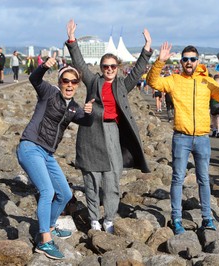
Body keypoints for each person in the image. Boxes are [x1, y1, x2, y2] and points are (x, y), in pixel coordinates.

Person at [65, 19, 152, 233]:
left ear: (117, 68)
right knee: (92, 178)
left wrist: (147, 49)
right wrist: (72, 41)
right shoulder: (94, 82)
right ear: (102, 68)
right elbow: (80, 65)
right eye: (106, 66)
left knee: (112, 179)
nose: (110, 69)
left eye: (113, 66)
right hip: (91, 133)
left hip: (113, 131)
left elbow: (138, 70)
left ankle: (109, 219)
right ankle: (94, 218)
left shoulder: (123, 84)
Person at [147, 42, 219, 234]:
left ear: (198, 61)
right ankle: (176, 219)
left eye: (192, 59)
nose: (189, 62)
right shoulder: (174, 80)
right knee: (177, 178)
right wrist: (160, 61)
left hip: (202, 137)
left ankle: (207, 218)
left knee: (203, 178)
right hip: (181, 136)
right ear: (181, 62)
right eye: (185, 59)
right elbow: (153, 82)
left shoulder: (207, 81)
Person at [16, 53, 94, 260]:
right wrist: (43, 67)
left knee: (65, 194)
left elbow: (86, 122)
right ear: (59, 82)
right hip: (30, 147)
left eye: (73, 82)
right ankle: (45, 240)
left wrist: (89, 112)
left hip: (47, 155)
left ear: (77, 85)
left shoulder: (74, 107)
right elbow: (34, 79)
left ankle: (50, 225)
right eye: (65, 81)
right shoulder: (48, 93)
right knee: (47, 191)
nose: (69, 85)